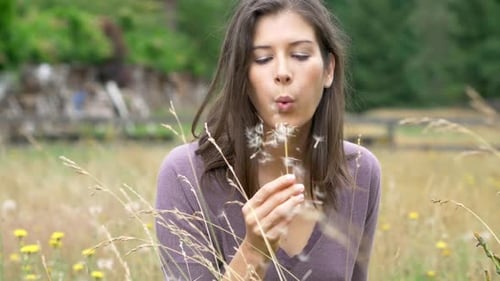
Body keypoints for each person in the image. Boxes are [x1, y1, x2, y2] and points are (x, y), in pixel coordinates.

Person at [155, 0, 381, 280]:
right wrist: (253, 252)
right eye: (262, 58)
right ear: (243, 76)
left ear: (328, 69)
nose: (283, 73)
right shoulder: (185, 174)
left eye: (300, 55)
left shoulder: (360, 171)